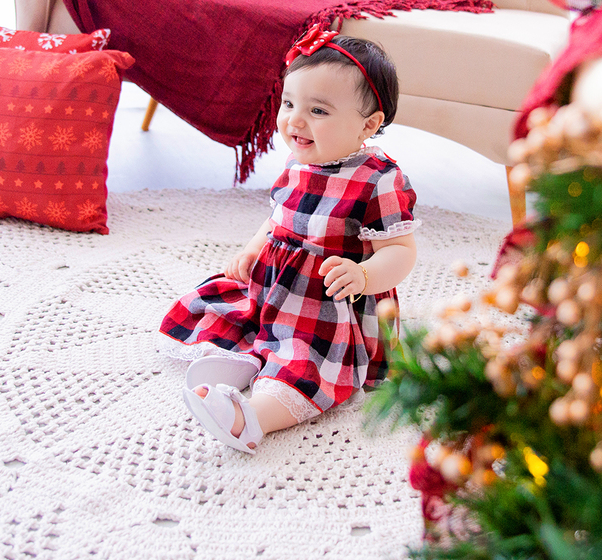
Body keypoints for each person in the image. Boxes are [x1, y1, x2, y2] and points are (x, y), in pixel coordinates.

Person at [157, 29, 418, 453]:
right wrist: (252, 250)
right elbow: (278, 217)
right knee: (229, 307)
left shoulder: (380, 179)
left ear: (368, 125)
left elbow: (401, 252)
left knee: (306, 363)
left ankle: (252, 417)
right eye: (289, 103)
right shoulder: (301, 160)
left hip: (330, 307)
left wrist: (362, 273)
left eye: (317, 110)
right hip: (277, 289)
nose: (295, 120)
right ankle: (250, 360)